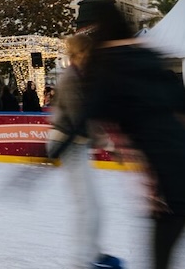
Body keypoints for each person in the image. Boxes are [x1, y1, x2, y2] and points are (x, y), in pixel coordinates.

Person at [55, 0, 185, 269]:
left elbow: (87, 114)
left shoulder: (110, 72)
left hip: (170, 187)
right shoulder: (149, 62)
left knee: (159, 260)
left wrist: (49, 155)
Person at [48, 34, 119, 269]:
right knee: (86, 206)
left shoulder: (81, 76)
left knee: (94, 205)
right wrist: (107, 144)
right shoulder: (70, 79)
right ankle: (82, 260)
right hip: (67, 143)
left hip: (77, 143)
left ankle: (94, 253)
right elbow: (81, 118)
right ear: (77, 55)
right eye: (88, 53)